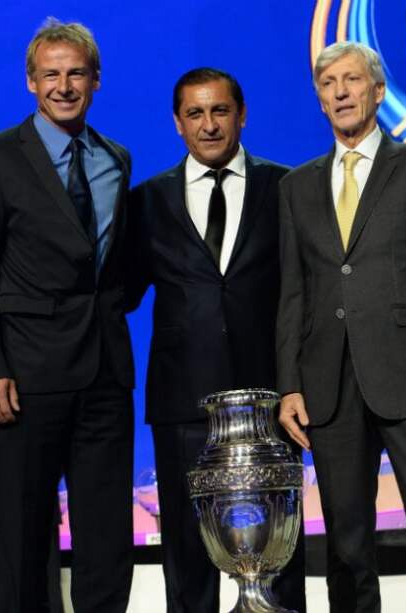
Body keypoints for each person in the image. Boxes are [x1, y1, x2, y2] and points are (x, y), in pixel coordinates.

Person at [276, 41, 406, 612]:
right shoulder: (296, 187)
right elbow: (294, 293)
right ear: (319, 100)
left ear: (378, 91)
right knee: (346, 547)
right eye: (328, 84)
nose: (340, 92)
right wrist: (290, 384)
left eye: (352, 80)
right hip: (330, 388)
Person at [0, 17, 135, 613]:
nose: (64, 85)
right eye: (51, 74)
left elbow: (112, 268)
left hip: (106, 376)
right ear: (30, 83)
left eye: (76, 73)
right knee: (26, 534)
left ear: (96, 81)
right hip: (26, 379)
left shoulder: (116, 159)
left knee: (108, 534)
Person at [126, 67, 306, 613]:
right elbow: (121, 292)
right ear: (177, 123)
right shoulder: (147, 200)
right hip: (184, 401)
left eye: (219, 111)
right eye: (195, 114)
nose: (209, 125)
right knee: (187, 547)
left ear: (242, 115)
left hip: (271, 398)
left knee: (281, 544)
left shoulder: (287, 186)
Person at [0, 390, 65, 613]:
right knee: (4, 593)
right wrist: (25, 478)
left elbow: (57, 448)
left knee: (49, 588)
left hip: (42, 509)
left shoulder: (40, 396)